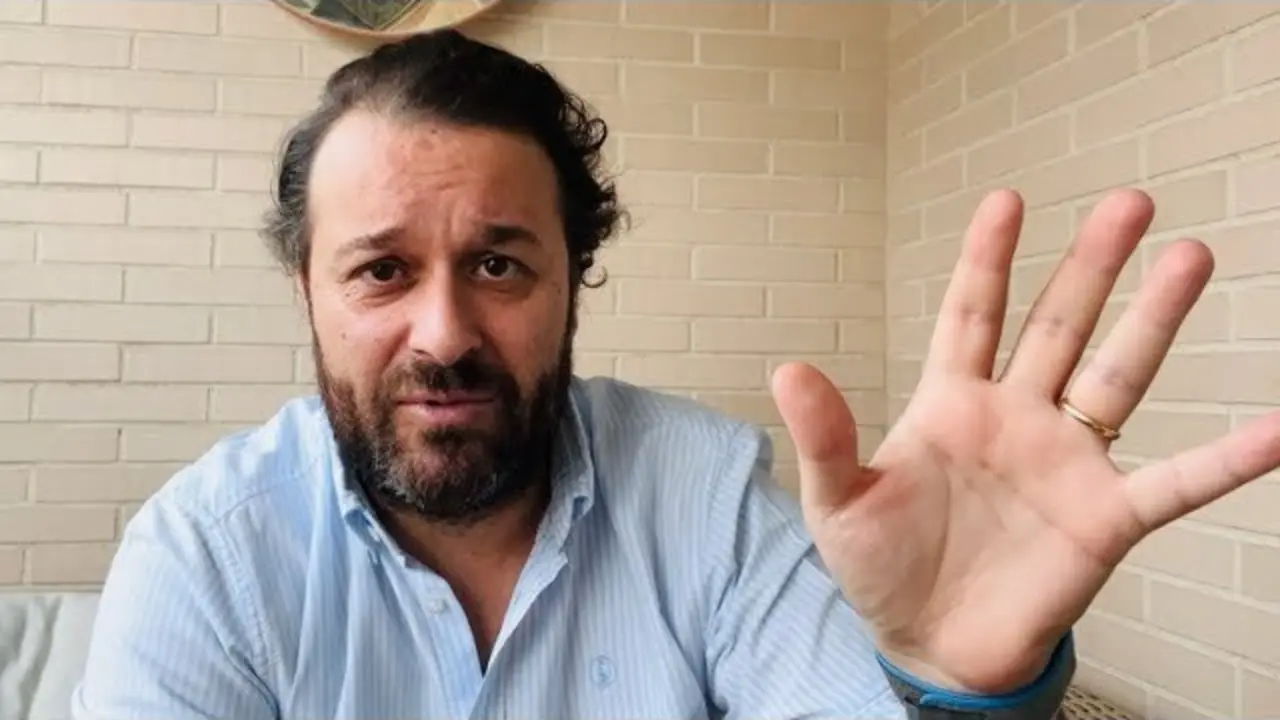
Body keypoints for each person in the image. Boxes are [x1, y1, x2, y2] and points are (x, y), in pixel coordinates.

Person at [70, 29, 1280, 720]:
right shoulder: (204, 556)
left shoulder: (706, 497)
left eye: (497, 263)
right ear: (307, 292)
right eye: (380, 271)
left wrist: (940, 680)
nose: (442, 333)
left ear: (572, 278)